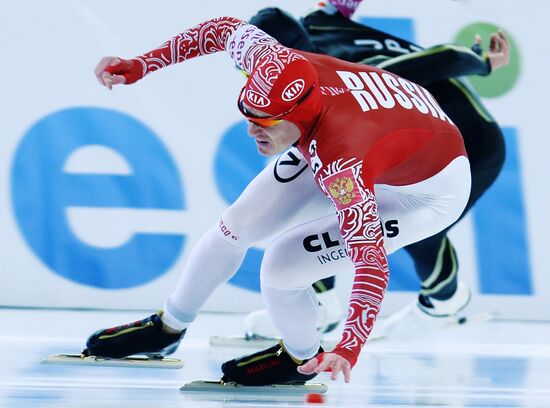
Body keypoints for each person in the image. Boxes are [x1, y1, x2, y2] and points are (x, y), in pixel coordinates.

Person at [88, 15, 472, 384]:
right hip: (374, 126)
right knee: (236, 225)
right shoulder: (272, 62)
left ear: (296, 117)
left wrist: (349, 348)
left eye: (265, 122)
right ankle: (168, 327)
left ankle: (301, 358)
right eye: (247, 114)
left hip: (429, 192)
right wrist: (143, 63)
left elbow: (369, 261)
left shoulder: (341, 162)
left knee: (283, 265)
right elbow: (221, 30)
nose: (251, 129)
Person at [243, 0, 509, 340]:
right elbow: (339, 6)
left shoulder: (346, 71)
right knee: (329, 190)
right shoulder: (318, 23)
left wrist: (483, 63)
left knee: (415, 223)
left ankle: (444, 301)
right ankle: (321, 301)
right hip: (424, 136)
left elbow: (442, 58)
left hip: (471, 142)